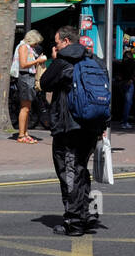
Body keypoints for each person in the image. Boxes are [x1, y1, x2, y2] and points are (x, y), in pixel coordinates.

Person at [38, 25, 106, 236]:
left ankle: (74, 221)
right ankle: (86, 215)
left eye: (57, 42)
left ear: (66, 42)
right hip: (92, 125)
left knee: (69, 172)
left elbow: (44, 83)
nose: (55, 46)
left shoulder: (63, 60)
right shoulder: (95, 60)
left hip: (69, 127)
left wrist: (54, 58)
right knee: (81, 170)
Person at [13, 29, 46, 143]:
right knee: (25, 108)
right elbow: (23, 64)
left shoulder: (27, 47)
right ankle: (21, 135)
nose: (36, 45)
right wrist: (38, 60)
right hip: (25, 77)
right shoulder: (23, 47)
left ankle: (25, 133)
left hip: (28, 77)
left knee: (27, 107)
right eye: (35, 43)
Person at [115, 39, 135, 129]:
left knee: (122, 101)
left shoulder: (122, 63)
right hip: (128, 83)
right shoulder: (131, 62)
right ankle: (124, 121)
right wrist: (130, 79)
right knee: (128, 102)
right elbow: (131, 72)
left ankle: (121, 119)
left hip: (122, 83)